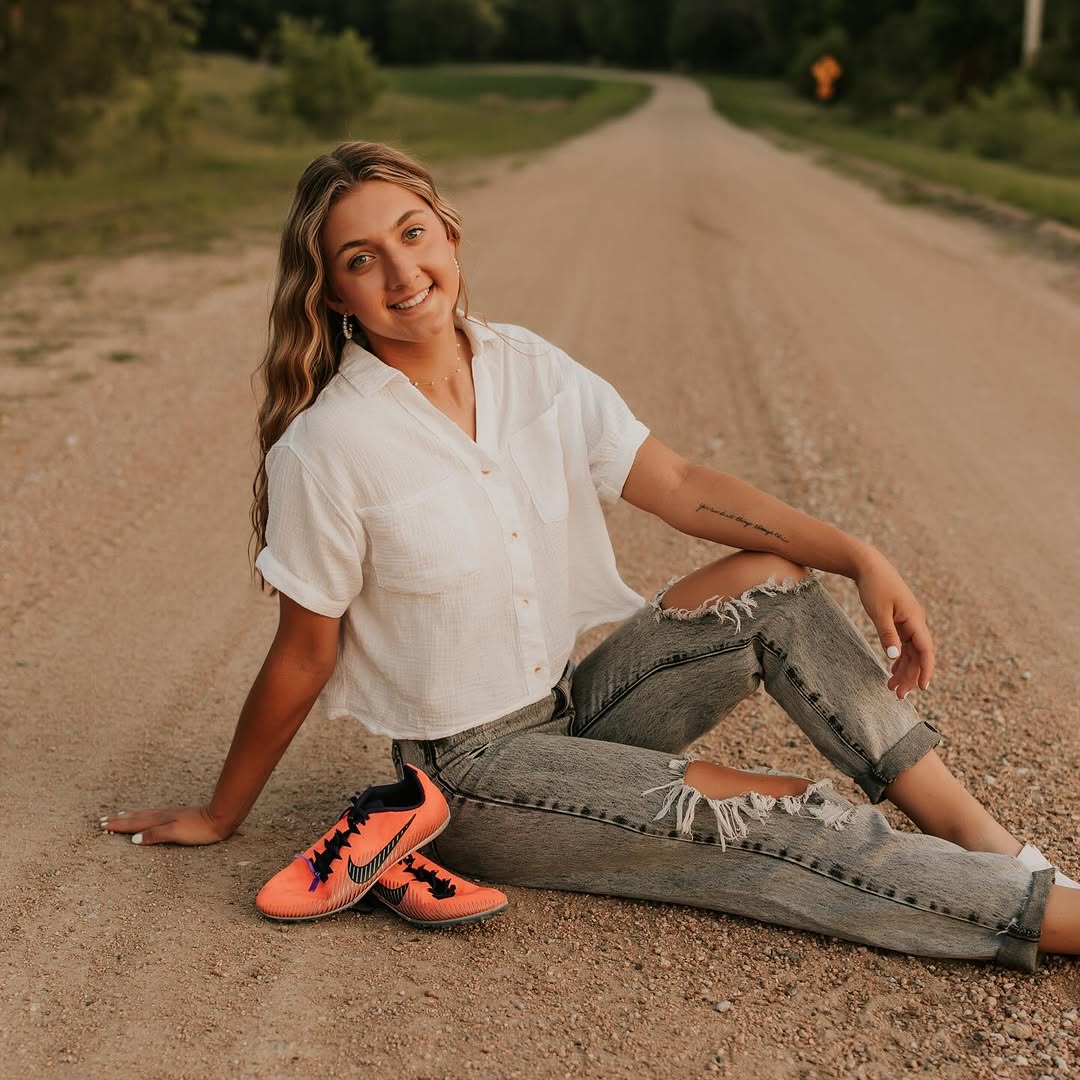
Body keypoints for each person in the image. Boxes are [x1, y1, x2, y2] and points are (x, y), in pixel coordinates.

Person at [100, 141, 1080, 970]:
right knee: (767, 824)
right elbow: (302, 654)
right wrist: (221, 813)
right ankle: (1045, 916)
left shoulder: (528, 366)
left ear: (449, 235)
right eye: (363, 259)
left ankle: (994, 849)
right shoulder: (330, 445)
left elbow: (680, 482)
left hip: (574, 710)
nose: (402, 274)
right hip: (471, 780)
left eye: (412, 235)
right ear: (334, 293)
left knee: (772, 585)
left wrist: (857, 554)